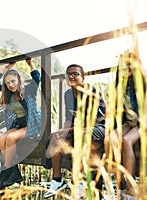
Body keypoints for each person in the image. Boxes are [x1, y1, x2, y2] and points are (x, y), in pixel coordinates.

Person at [44, 64, 106, 198]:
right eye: (68, 74)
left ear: (83, 78)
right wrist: (62, 131)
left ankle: (82, 182)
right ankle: (57, 180)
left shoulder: (90, 91)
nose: (71, 76)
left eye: (75, 73)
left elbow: (94, 121)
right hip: (81, 128)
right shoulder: (68, 94)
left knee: (81, 134)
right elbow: (68, 119)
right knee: (56, 136)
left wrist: (71, 130)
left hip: (100, 127)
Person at [0, 58, 42, 190]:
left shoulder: (29, 90)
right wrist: (9, 67)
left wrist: (30, 63)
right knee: (1, 138)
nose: (11, 85)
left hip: (32, 123)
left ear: (19, 80)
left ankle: (7, 171)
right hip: (19, 124)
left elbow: (37, 78)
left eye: (13, 81)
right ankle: (13, 173)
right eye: (8, 83)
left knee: (11, 138)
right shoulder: (8, 93)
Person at [108, 51, 145, 197]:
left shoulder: (143, 83)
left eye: (129, 65)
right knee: (110, 139)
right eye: (123, 66)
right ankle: (120, 182)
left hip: (143, 121)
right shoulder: (120, 86)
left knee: (126, 141)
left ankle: (131, 184)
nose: (126, 68)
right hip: (130, 123)